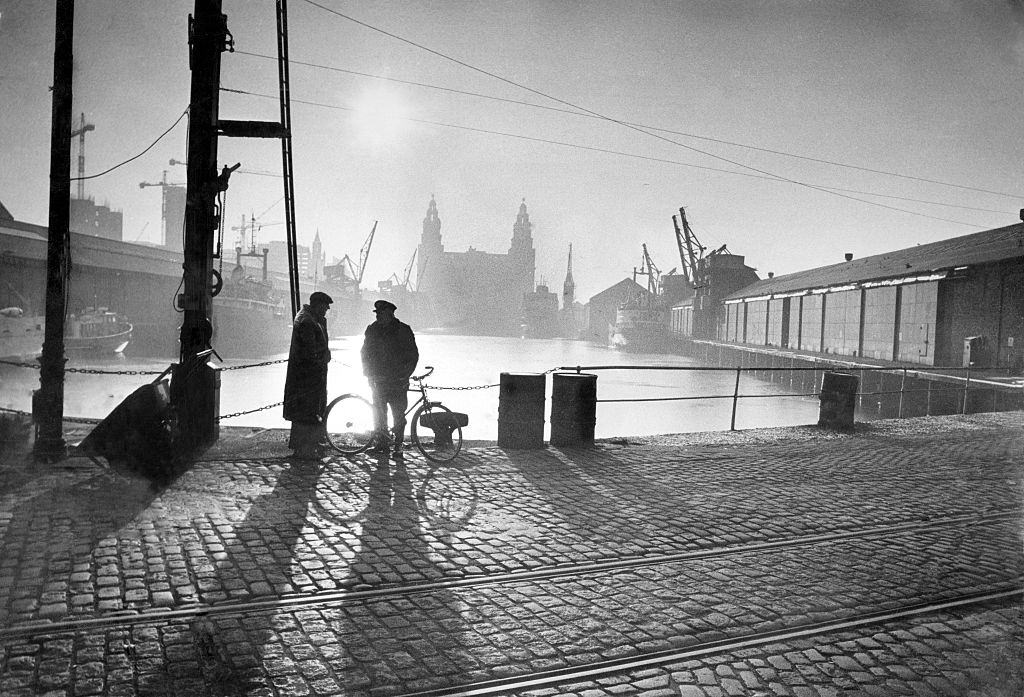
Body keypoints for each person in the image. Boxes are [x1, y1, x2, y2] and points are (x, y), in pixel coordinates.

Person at [361, 299, 419, 456]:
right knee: (379, 414)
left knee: (398, 414)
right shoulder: (372, 330)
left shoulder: (403, 330)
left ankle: (398, 445)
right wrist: (368, 374)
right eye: (377, 313)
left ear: (390, 314)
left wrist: (404, 375)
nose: (378, 316)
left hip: (397, 382)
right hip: (378, 381)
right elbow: (365, 353)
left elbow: (412, 356)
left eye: (381, 313)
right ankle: (382, 443)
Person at [283, 291, 333, 458]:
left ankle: (306, 446)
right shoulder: (308, 322)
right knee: (307, 412)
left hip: (308, 375)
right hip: (308, 377)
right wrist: (323, 357)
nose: (326, 311)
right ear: (317, 305)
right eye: (325, 307)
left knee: (307, 412)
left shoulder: (309, 319)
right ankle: (305, 449)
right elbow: (309, 353)